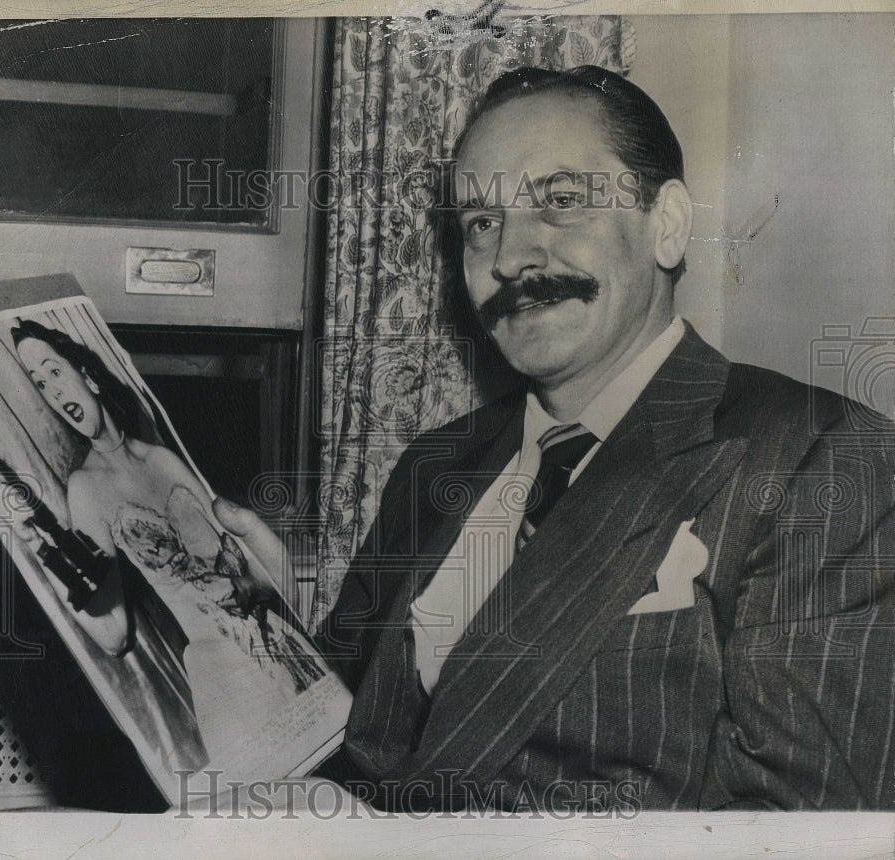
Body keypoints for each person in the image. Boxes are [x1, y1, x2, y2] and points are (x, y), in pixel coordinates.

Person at [217, 65, 895, 811]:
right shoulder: (438, 462)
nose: (510, 257)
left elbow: (793, 830)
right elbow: (356, 738)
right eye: (481, 223)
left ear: (666, 225)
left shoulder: (820, 457)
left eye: (562, 201)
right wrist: (274, 627)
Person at [12, 320, 325, 767]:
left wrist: (253, 533)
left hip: (276, 644)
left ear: (88, 374)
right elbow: (115, 634)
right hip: (224, 673)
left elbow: (267, 580)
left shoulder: (163, 458)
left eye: (54, 371)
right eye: (39, 384)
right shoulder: (85, 489)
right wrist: (45, 561)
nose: (53, 391)